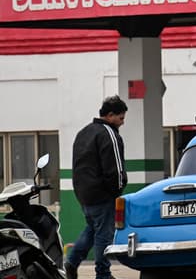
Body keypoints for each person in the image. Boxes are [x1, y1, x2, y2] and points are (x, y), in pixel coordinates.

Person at [65, 95, 128, 279]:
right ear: (110, 115)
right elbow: (115, 168)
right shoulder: (109, 134)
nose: (122, 123)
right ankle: (103, 274)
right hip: (103, 195)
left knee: (92, 230)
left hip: (84, 194)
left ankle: (72, 261)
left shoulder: (83, 132)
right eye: (121, 118)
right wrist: (117, 190)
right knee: (104, 235)